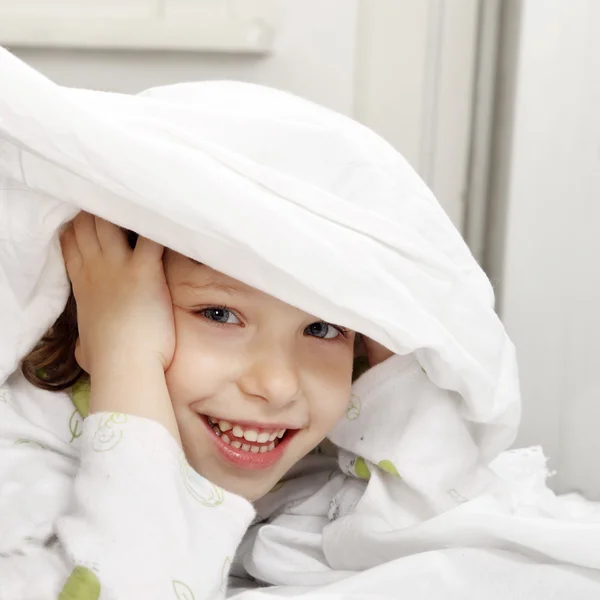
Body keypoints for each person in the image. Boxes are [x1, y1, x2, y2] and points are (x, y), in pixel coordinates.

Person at [3, 47, 600, 600]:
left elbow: (429, 518)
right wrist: (125, 360)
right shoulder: (25, 465)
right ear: (99, 311)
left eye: (322, 330)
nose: (279, 384)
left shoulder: (302, 466)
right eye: (218, 313)